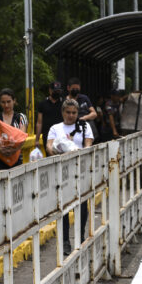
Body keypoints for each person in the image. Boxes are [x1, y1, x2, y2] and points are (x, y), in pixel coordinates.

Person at [47, 98, 94, 255]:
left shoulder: (84, 126)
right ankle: (65, 240)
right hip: (62, 171)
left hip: (80, 169)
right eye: (68, 112)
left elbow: (88, 143)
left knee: (81, 204)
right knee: (64, 207)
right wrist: (60, 153)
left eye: (74, 112)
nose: (71, 115)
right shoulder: (55, 128)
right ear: (63, 112)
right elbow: (49, 146)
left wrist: (80, 151)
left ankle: (80, 236)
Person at [0, 88, 29, 172]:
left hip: (15, 158)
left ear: (14, 101)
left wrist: (14, 150)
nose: (6, 105)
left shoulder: (21, 117)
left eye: (8, 102)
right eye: (3, 102)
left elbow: (22, 137)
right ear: (0, 103)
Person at [36, 81, 66, 155]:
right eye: (55, 91)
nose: (57, 93)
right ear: (50, 90)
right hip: (48, 136)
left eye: (59, 91)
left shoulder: (64, 103)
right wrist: (37, 139)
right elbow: (39, 123)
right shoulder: (43, 104)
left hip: (62, 135)